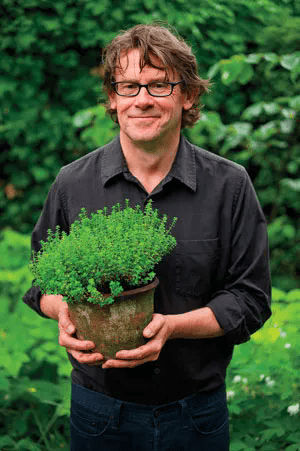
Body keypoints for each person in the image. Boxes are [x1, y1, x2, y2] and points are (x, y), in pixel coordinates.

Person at [23, 24, 271, 451]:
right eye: (129, 86)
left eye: (159, 85)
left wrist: (172, 328)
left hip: (196, 413)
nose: (142, 99)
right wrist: (63, 313)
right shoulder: (73, 183)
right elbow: (43, 285)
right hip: (99, 411)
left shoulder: (229, 185)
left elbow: (250, 299)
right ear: (113, 97)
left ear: (187, 95)